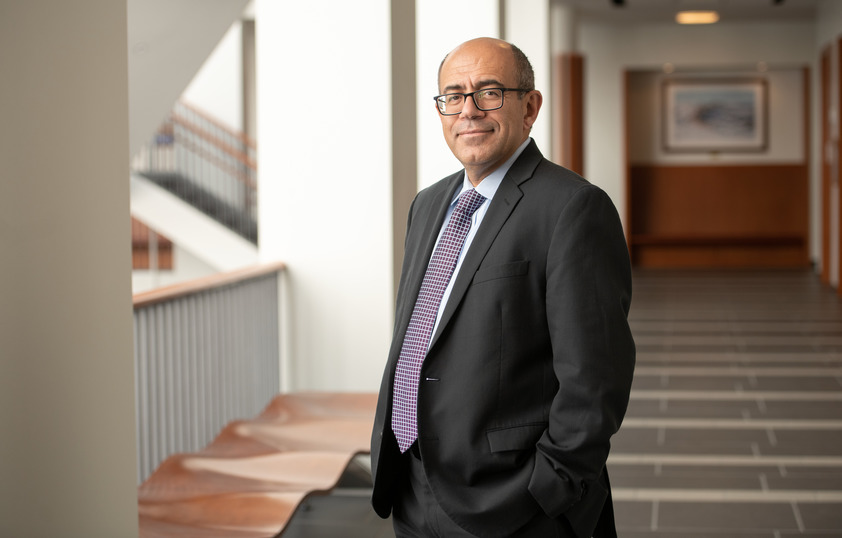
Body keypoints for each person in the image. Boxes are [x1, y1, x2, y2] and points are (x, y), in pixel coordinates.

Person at [370, 37, 635, 538]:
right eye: (453, 96)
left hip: (512, 504)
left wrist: (547, 491)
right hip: (412, 483)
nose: (468, 110)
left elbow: (595, 380)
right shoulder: (428, 205)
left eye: (489, 92)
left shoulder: (573, 209)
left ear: (530, 106)